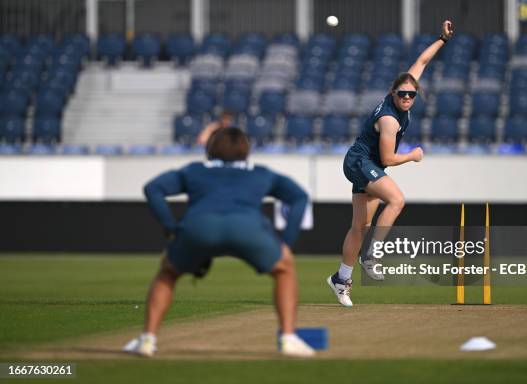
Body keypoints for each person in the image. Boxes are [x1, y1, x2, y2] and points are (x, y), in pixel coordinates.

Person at [123, 127, 315, 357]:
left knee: (168, 273)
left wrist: (170, 228)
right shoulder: (260, 173)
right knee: (284, 269)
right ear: (246, 151)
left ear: (209, 149)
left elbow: (153, 188)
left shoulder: (194, 170)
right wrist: (287, 241)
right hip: (248, 229)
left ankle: (147, 340)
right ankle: (288, 338)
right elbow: (299, 196)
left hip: (198, 228)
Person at [327, 20, 454, 307]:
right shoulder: (389, 119)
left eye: (412, 94)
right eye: (403, 94)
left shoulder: (402, 94)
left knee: (360, 225)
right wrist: (412, 155)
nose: (408, 98)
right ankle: (373, 256)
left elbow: (422, 61)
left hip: (366, 163)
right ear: (392, 93)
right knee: (397, 200)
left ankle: (341, 278)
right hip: (361, 161)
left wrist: (442, 40)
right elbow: (387, 159)